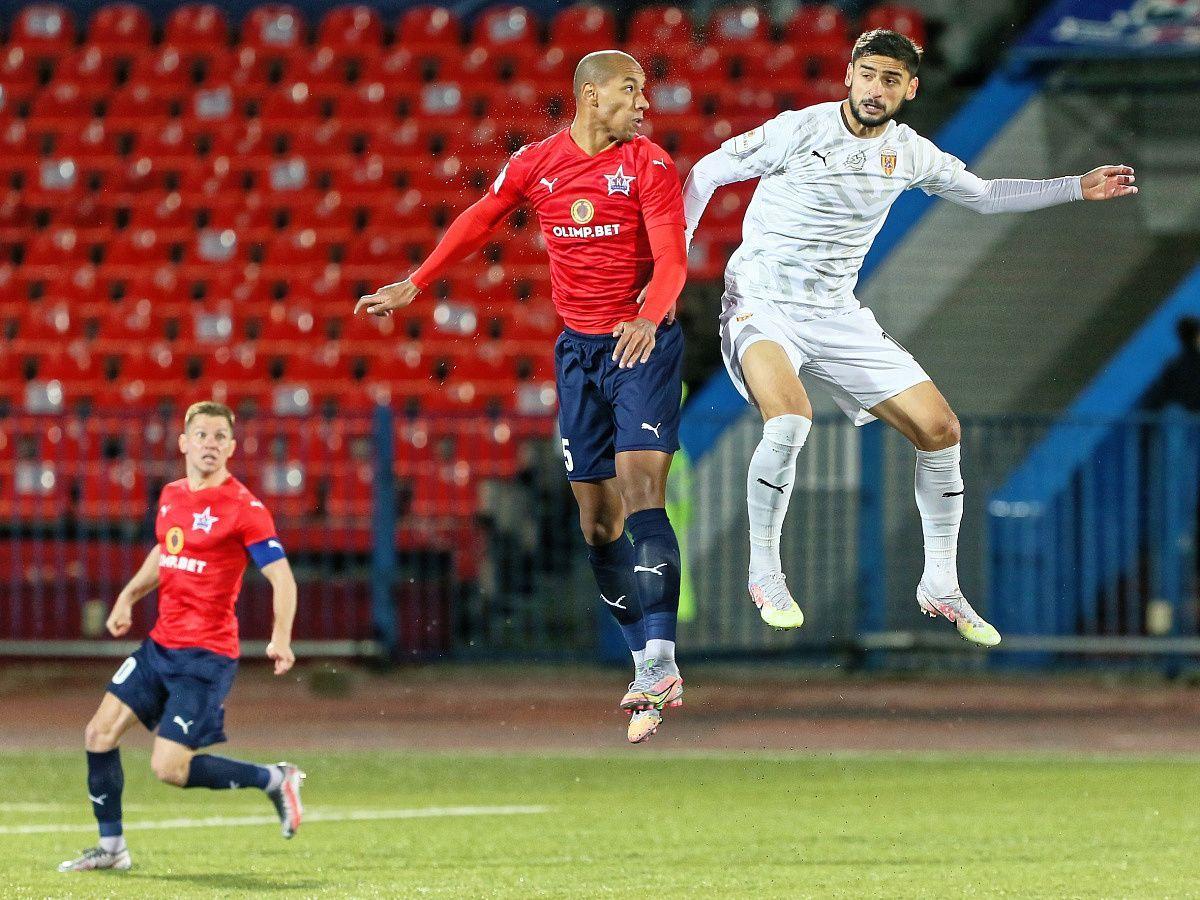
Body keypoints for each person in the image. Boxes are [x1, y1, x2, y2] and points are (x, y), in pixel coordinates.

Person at [682, 29, 1138, 645]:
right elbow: (707, 172)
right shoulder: (800, 129)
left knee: (942, 429)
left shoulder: (910, 153)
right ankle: (764, 569)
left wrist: (1074, 187)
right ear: (849, 75)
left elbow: (982, 195)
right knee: (789, 420)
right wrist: (670, 269)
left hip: (837, 314)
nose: (876, 89)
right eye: (867, 74)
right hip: (761, 302)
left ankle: (940, 583)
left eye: (890, 80)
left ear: (911, 89)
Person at [357, 50, 689, 743]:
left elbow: (673, 261)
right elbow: (482, 217)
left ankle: (662, 657)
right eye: (632, 92)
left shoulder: (650, 165)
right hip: (579, 352)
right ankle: (641, 665)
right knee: (596, 523)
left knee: (640, 488)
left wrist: (647, 316)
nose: (644, 103)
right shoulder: (537, 162)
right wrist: (417, 282)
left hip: (642, 345)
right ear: (592, 97)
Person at [58, 401, 304, 873]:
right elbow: (167, 552)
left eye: (219, 437)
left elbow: (283, 579)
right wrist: (128, 597)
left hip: (206, 658)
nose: (210, 444)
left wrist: (280, 637)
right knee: (98, 733)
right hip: (160, 647)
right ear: (184, 443)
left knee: (168, 769)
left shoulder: (245, 509)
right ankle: (112, 849)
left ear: (231, 447)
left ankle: (274, 779)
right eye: (202, 435)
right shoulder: (171, 495)